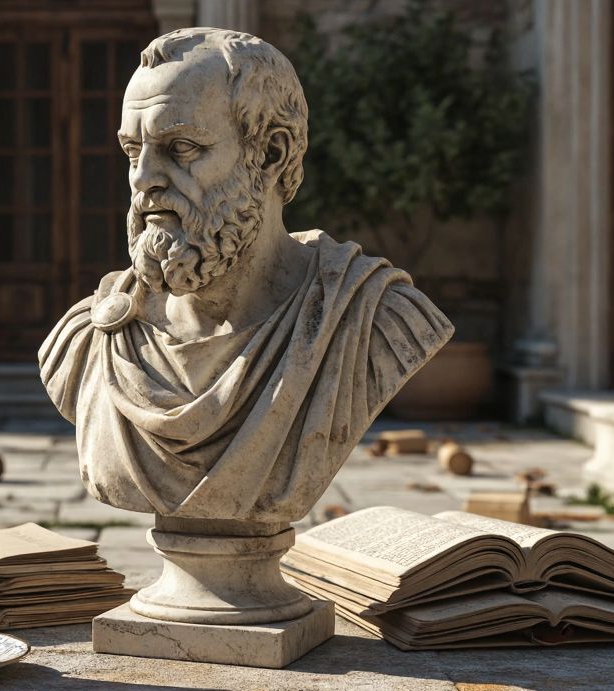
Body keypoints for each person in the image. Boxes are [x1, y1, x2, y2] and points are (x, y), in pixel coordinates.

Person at [39, 27, 453, 524]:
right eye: (133, 151)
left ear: (273, 154)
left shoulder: (373, 320)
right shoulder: (88, 340)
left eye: (182, 148)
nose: (143, 178)